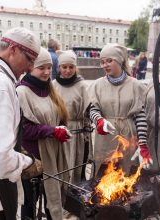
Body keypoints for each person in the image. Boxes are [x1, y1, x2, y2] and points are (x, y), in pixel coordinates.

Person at [16, 47, 71, 220]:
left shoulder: (50, 89)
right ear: (31, 67)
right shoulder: (21, 91)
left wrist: (62, 128)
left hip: (52, 155)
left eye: (49, 67)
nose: (47, 72)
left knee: (52, 199)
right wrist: (52, 131)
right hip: (33, 159)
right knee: (30, 203)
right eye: (42, 68)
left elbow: (59, 116)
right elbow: (23, 129)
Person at [89, 43, 153, 175]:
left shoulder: (135, 85)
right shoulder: (97, 85)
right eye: (102, 62)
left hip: (128, 136)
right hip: (105, 136)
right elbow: (93, 109)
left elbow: (140, 116)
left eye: (109, 61)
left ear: (119, 60)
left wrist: (142, 143)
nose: (105, 65)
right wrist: (99, 121)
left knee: (125, 174)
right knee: (103, 173)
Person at [0, 27, 40, 220]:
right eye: (30, 59)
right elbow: (0, 157)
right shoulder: (3, 86)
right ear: (13, 49)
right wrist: (27, 162)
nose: (31, 68)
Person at [53, 50, 93, 184]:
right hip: (59, 130)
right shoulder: (53, 85)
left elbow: (88, 111)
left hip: (77, 131)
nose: (68, 70)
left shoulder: (82, 85)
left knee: (77, 163)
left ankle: (75, 192)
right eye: (64, 67)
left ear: (75, 68)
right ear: (59, 68)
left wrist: (87, 133)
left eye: (71, 67)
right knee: (61, 165)